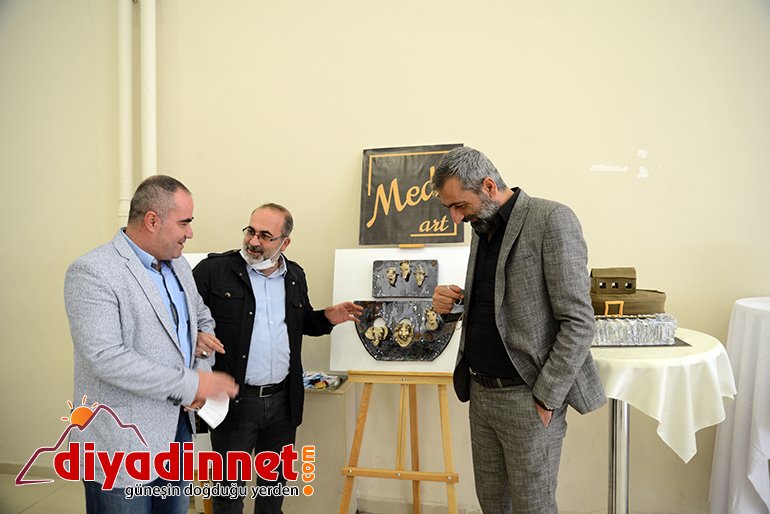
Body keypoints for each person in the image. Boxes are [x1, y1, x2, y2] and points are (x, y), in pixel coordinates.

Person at [430, 147, 606, 513]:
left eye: (459, 205)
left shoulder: (551, 219)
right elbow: (501, 306)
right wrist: (452, 306)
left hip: (528, 399)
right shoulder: (481, 226)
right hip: (480, 395)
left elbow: (578, 320)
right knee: (492, 506)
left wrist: (546, 398)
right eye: (449, 208)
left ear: (488, 186)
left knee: (533, 507)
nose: (455, 217)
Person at [63, 175, 238, 514]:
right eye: (184, 222)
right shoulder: (93, 272)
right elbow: (106, 358)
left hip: (177, 434)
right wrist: (192, 384)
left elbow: (203, 320)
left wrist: (200, 371)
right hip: (121, 445)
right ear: (152, 220)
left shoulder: (180, 265)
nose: (190, 233)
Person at [192, 203, 363, 514]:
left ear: (285, 242)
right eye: (250, 231)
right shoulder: (213, 271)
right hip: (235, 403)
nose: (253, 241)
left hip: (283, 402)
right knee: (228, 495)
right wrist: (196, 341)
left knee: (273, 491)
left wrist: (327, 317)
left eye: (265, 236)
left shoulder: (294, 276)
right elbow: (183, 321)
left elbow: (301, 323)